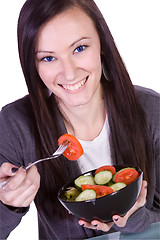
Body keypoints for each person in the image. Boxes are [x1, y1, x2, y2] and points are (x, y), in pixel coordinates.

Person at [0, 0, 159, 239]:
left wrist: (136, 219)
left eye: (80, 48)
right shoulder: (15, 124)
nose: (70, 73)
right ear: (33, 65)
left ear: (102, 45)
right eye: (48, 58)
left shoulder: (151, 109)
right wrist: (7, 204)